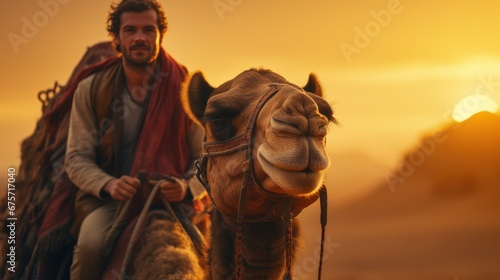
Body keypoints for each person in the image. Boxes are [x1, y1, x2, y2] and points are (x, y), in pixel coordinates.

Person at [64, 1, 205, 279]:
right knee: (89, 249)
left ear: (159, 35)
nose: (140, 37)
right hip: (110, 203)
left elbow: (205, 156)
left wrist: (187, 187)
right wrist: (109, 184)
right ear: (116, 37)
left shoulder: (185, 86)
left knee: (215, 256)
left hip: (173, 202)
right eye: (130, 30)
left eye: (148, 30)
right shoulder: (91, 89)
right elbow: (76, 157)